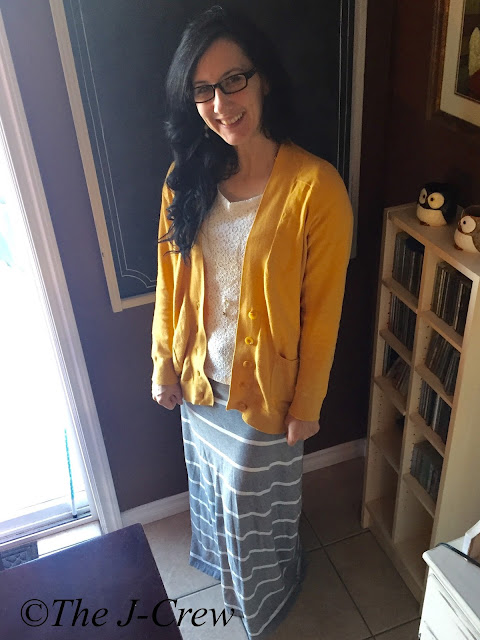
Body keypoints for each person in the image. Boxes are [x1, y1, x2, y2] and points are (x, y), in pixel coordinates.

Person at [151, 6, 353, 638]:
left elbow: (322, 312)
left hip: (268, 391)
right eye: (203, 89)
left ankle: (270, 596)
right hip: (200, 383)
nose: (220, 104)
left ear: (262, 78)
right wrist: (163, 365)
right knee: (213, 494)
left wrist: (308, 404)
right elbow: (170, 283)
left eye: (233, 80)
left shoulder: (315, 187)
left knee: (256, 505)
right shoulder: (185, 177)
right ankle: (234, 585)